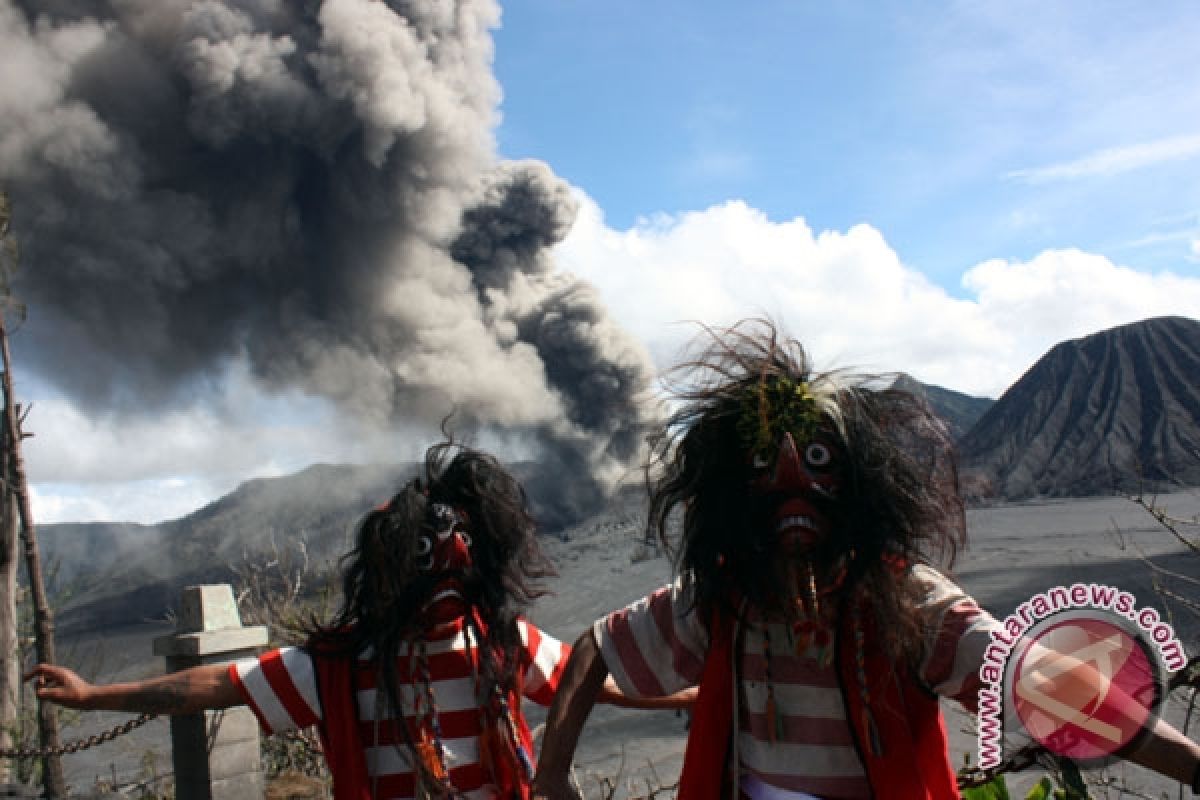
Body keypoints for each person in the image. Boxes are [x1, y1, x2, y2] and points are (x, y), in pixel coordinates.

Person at [532, 319, 1200, 800]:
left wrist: (1190, 765)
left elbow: (1045, 685)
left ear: (857, 484)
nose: (793, 483)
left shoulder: (907, 604)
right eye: (764, 468)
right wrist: (551, 773)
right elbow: (595, 648)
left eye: (818, 462)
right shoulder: (723, 600)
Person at [30, 441, 691, 800]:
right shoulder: (343, 663)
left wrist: (679, 699)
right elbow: (215, 685)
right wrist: (95, 697)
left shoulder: (499, 643)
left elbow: (582, 683)